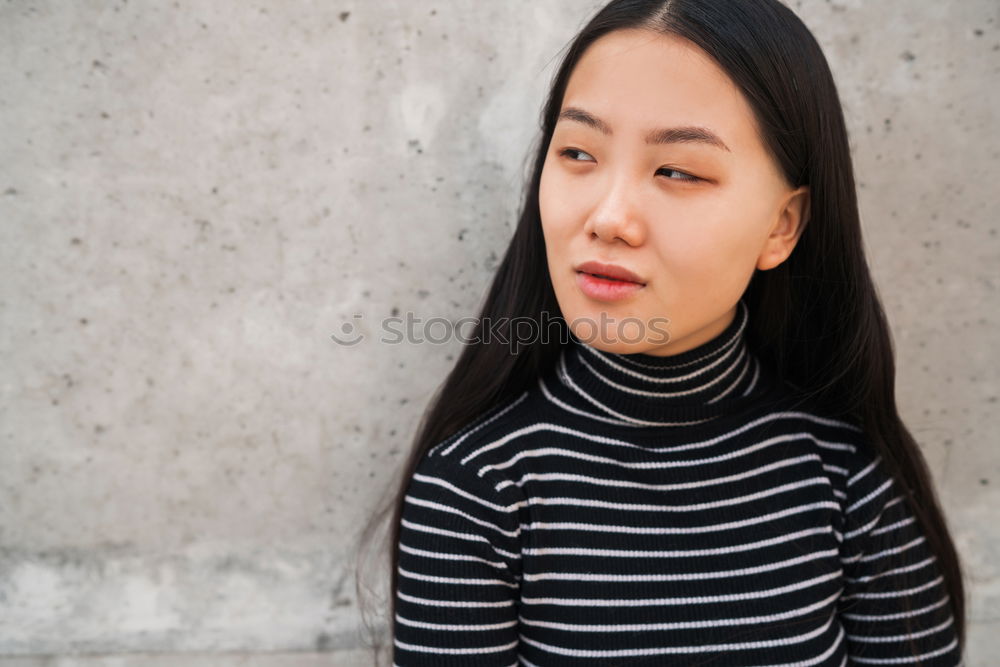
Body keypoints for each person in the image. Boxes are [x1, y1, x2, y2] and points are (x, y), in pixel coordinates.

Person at [357, 0, 966, 664]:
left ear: (781, 225)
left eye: (677, 170)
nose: (610, 216)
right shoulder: (474, 489)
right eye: (579, 152)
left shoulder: (848, 476)